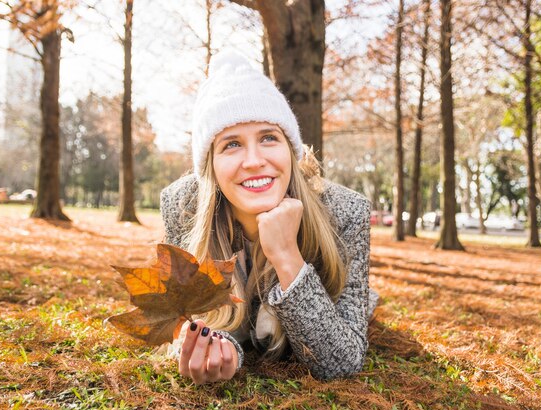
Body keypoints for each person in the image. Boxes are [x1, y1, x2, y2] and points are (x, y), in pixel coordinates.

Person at [160, 50, 379, 385]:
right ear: (211, 167)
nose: (254, 160)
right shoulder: (182, 205)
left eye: (268, 138)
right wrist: (222, 348)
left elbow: (343, 362)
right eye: (231, 144)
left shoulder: (346, 211)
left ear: (290, 150)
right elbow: (185, 322)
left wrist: (287, 257)